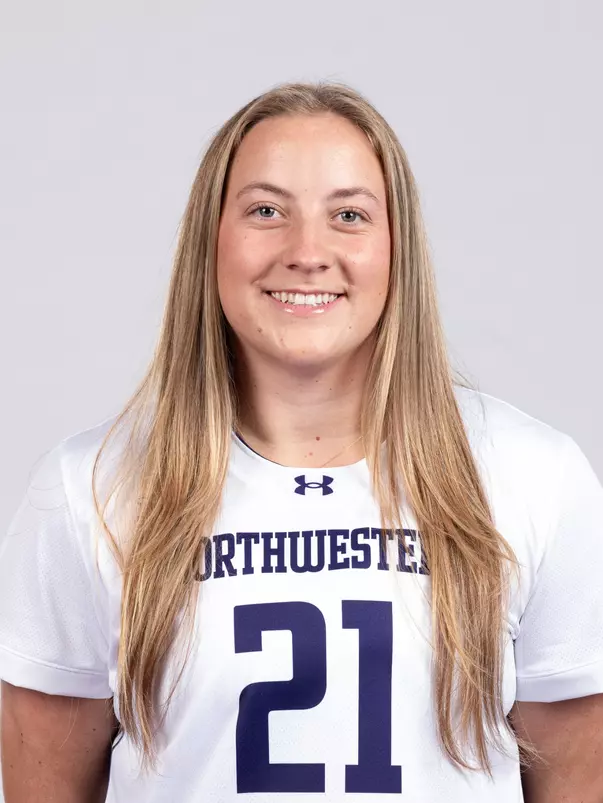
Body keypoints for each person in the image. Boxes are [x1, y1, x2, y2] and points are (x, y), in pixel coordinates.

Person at [1, 81, 602, 803]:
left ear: (395, 249)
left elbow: (575, 780)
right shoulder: (88, 490)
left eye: (348, 215)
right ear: (210, 240)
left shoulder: (533, 476)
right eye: (265, 210)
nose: (306, 251)